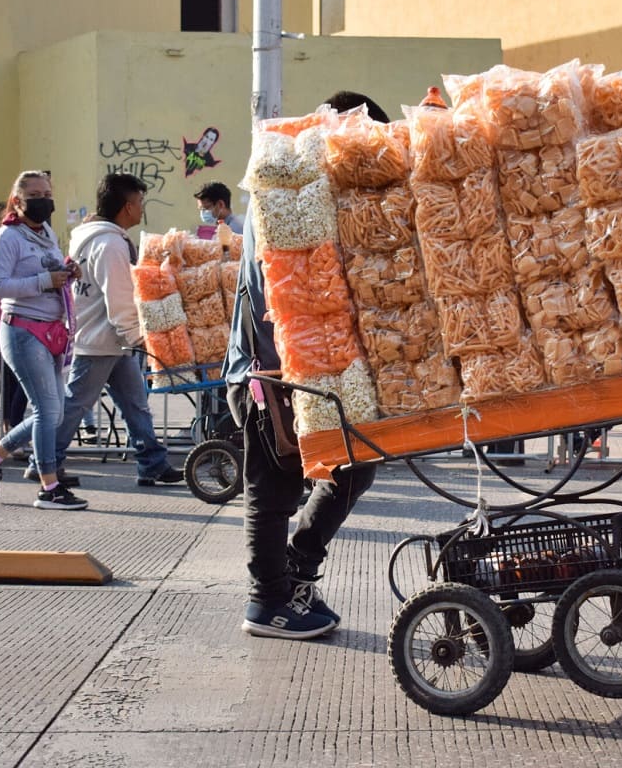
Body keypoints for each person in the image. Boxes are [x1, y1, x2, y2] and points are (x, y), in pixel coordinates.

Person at [224, 91, 387, 640]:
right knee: (274, 489)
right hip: (269, 371)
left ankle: (298, 565)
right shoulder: (280, 196)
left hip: (316, 369)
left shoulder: (313, 191)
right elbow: (277, 290)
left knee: (358, 462)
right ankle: (266, 601)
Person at [24, 172, 184, 488]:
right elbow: (119, 297)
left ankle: (152, 461)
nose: (141, 209)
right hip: (101, 339)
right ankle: (42, 462)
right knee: (74, 406)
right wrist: (137, 335)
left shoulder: (92, 236)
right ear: (126, 207)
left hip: (109, 339)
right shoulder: (111, 245)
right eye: (139, 203)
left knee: (135, 403)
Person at [0, 170, 89, 510]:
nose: (43, 200)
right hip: (22, 329)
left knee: (51, 413)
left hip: (50, 329)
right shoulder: (7, 238)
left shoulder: (46, 231)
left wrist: (67, 269)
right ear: (18, 201)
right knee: (47, 409)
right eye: (35, 194)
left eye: (47, 193)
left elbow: (51, 264)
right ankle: (49, 487)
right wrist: (44, 280)